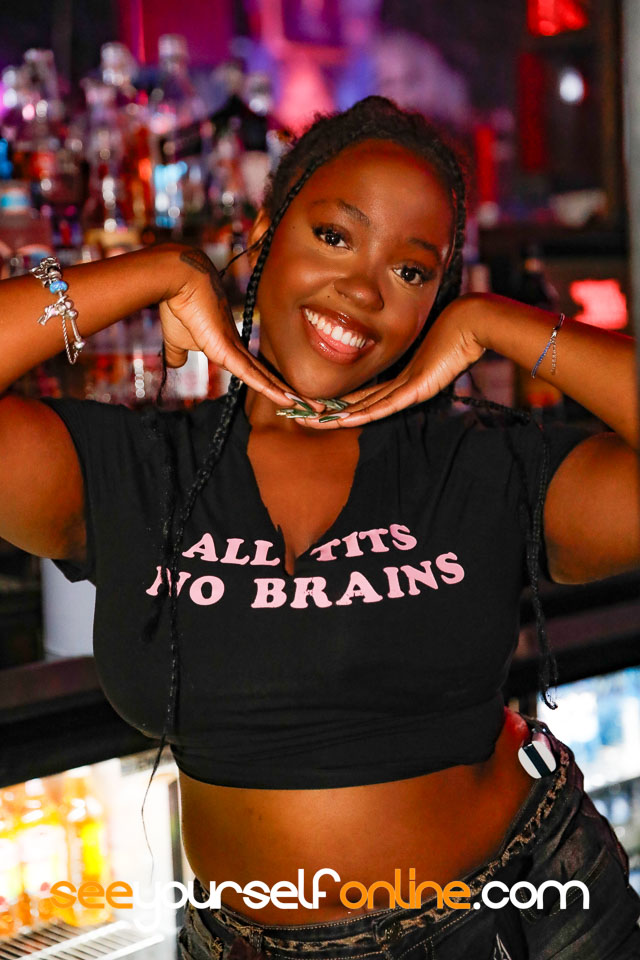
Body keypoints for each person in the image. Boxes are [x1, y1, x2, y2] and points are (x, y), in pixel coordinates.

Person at [1, 96, 639, 958]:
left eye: (411, 273)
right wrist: (158, 273)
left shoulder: (479, 466)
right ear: (266, 235)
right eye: (335, 236)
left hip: (516, 923)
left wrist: (496, 322)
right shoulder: (140, 469)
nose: (363, 289)